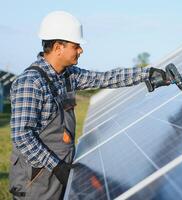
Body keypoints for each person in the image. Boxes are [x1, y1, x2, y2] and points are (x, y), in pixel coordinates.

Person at [9, 10, 170, 200]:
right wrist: (57, 167)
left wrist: (147, 74)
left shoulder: (68, 75)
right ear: (59, 47)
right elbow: (22, 135)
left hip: (62, 169)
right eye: (76, 46)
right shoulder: (31, 82)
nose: (81, 50)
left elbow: (106, 78)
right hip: (36, 177)